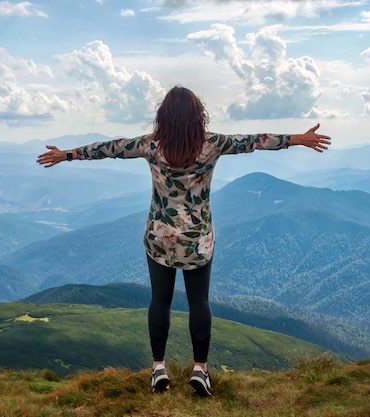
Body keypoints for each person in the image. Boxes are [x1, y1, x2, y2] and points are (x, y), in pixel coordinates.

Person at [37, 85, 331, 396]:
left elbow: (109, 148)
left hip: (159, 238)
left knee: (159, 302)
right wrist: (298, 139)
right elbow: (255, 142)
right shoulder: (212, 145)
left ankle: (158, 367)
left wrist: (67, 154)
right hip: (197, 241)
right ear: (197, 116)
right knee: (199, 302)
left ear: (163, 117)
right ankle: (200, 369)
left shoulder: (151, 146)